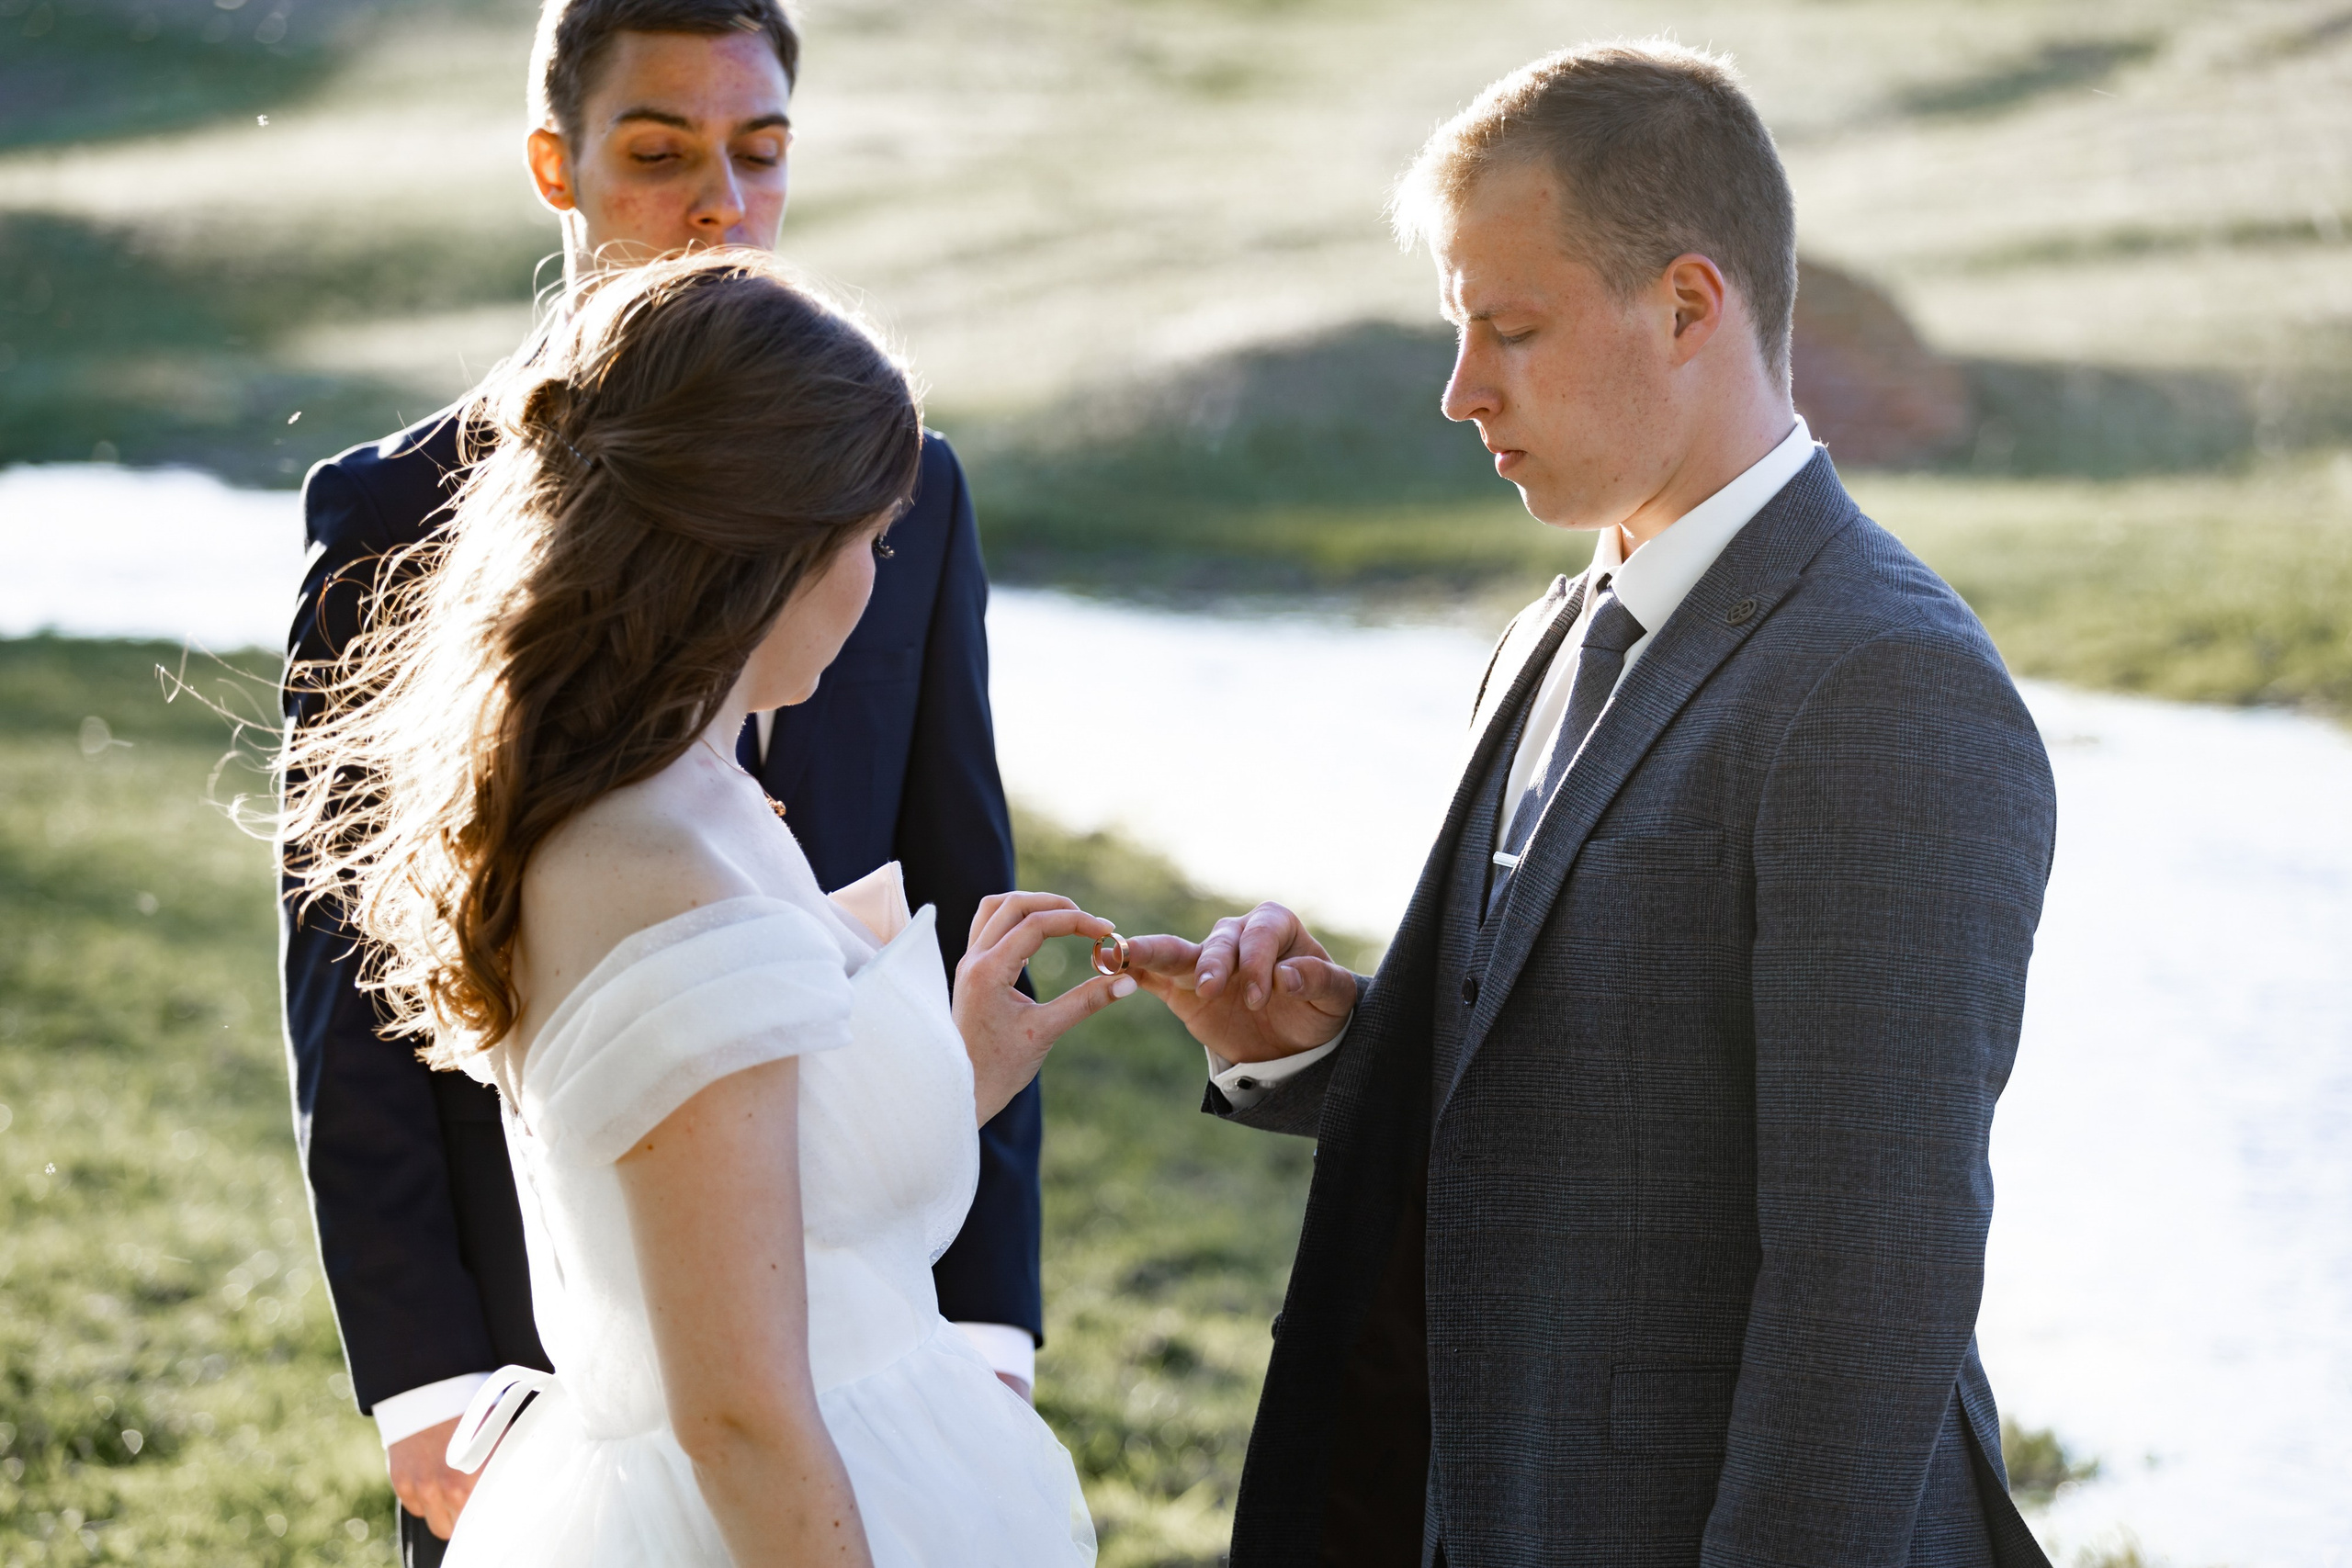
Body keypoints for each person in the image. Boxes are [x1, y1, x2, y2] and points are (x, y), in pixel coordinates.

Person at [1126, 43, 2058, 1568]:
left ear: (1689, 304)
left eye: (1511, 329)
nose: (1459, 390)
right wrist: (1327, 1056)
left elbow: (1869, 1284)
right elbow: (1594, 1089)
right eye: (1457, 330)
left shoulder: (1890, 686)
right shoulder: (1549, 635)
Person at [277, 4, 1046, 1560]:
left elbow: (955, 880)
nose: (719, 204)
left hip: (868, 1312)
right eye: (659, 153)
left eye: (759, 156)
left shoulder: (899, 487)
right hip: (538, 1354)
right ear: (556, 164)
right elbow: (349, 970)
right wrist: (427, 1378)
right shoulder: (394, 508)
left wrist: (978, 1325)